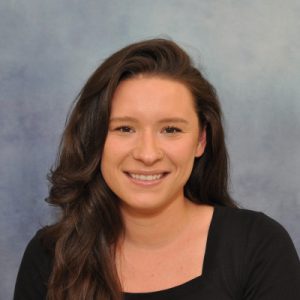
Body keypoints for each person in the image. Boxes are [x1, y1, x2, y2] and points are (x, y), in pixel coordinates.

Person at [14, 38, 300, 300]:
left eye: (171, 129)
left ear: (201, 140)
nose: (148, 154)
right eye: (125, 128)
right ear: (96, 138)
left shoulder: (257, 246)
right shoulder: (49, 256)